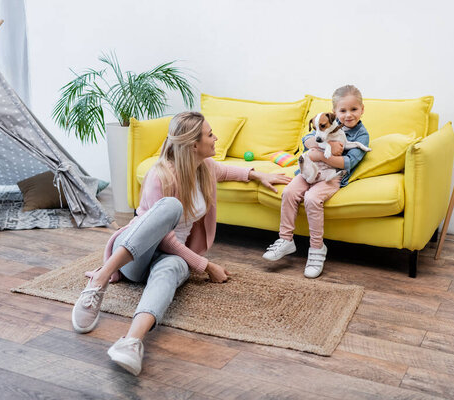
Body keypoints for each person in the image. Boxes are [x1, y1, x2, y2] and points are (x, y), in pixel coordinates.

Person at [71, 111, 291, 376]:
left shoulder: (205, 168)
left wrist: (256, 175)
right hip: (134, 257)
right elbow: (163, 238)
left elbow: (224, 170)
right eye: (210, 134)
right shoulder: (160, 175)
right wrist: (205, 265)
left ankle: (131, 341)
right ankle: (100, 279)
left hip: (170, 256)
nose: (216, 138)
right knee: (171, 207)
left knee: (172, 268)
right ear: (193, 145)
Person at [262, 85, 369, 278]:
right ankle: (286, 240)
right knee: (289, 192)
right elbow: (307, 139)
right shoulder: (324, 122)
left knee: (312, 199)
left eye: (353, 109)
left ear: (362, 109)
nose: (348, 115)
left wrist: (320, 155)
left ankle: (317, 249)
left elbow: (348, 161)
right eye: (343, 110)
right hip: (307, 171)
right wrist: (317, 146)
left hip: (331, 176)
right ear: (334, 112)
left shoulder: (361, 135)